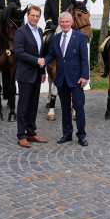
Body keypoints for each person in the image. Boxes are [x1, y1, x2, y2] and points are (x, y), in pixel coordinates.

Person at [41, 11, 89, 146]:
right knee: (65, 108)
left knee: (79, 107)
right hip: (61, 79)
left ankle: (81, 136)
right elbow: (51, 55)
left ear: (71, 22)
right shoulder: (56, 38)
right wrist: (43, 61)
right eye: (62, 22)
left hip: (76, 80)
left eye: (67, 21)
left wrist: (85, 76)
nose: (64, 24)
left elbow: (85, 59)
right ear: (59, 23)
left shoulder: (80, 37)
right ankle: (67, 134)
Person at [14, 5, 48, 148]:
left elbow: (41, 53)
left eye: (37, 16)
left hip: (36, 75)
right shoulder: (21, 31)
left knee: (33, 105)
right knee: (23, 106)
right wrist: (36, 61)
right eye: (32, 15)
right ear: (28, 16)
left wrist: (43, 72)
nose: (35, 18)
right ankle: (21, 135)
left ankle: (31, 133)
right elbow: (19, 52)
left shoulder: (40, 31)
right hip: (25, 75)